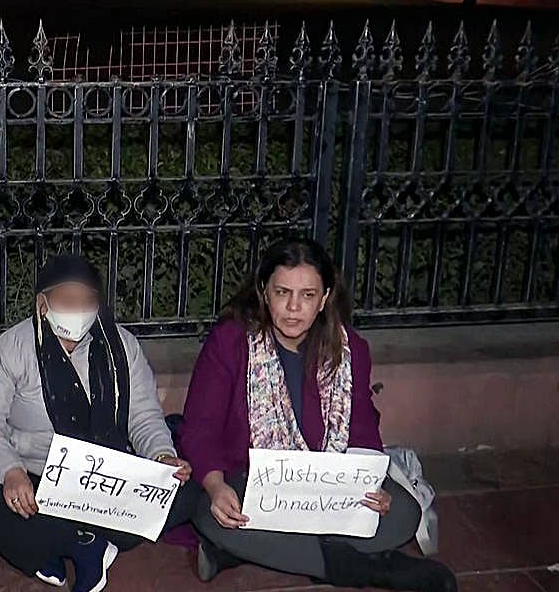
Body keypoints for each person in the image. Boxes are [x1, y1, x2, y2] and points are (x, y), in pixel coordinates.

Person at [178, 238, 457, 591]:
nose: (293, 307)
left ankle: (241, 553)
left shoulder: (350, 349)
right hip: (254, 484)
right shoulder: (231, 342)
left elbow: (362, 430)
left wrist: (371, 486)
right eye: (282, 293)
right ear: (264, 292)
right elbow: (200, 429)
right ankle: (374, 569)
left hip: (329, 486)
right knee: (210, 513)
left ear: (324, 298)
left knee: (403, 512)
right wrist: (216, 486)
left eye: (308, 295)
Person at [0, 254, 201, 592]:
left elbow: (144, 416)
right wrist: (10, 471)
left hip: (108, 480)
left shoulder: (121, 346)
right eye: (67, 300)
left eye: (87, 301)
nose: (78, 310)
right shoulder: (11, 349)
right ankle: (85, 545)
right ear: (43, 304)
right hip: (37, 480)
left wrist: (162, 457)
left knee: (190, 490)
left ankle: (48, 543)